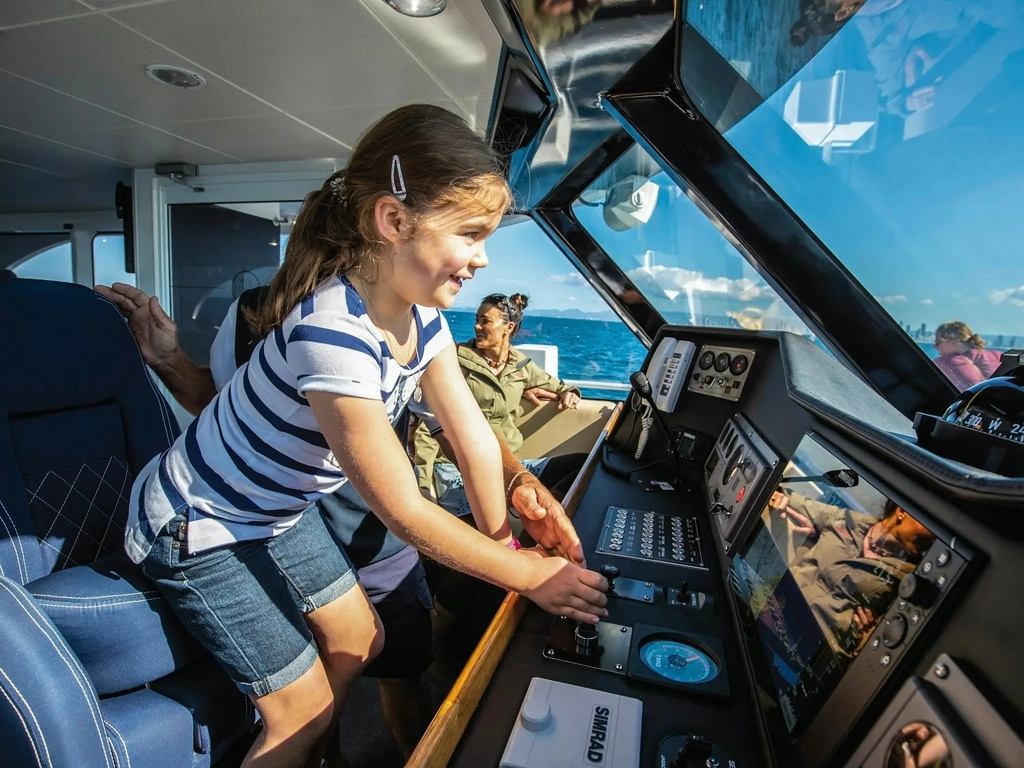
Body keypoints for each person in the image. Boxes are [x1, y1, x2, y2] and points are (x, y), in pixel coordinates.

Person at [110, 104, 608, 768]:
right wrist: (527, 576)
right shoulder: (331, 334)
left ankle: (317, 755)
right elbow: (402, 508)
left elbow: (474, 441)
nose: (483, 259)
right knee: (303, 711)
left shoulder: (421, 320)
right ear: (393, 220)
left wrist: (506, 550)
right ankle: (301, 743)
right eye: (469, 233)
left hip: (275, 513)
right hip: (198, 521)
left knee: (361, 641)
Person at [414, 292, 586, 517]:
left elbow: (556, 384)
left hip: (506, 467)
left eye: (485, 321)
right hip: (456, 470)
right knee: (486, 532)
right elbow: (429, 426)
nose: (476, 326)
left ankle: (537, 535)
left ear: (508, 327)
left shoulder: (519, 366)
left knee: (581, 466)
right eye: (477, 319)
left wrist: (569, 392)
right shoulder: (455, 363)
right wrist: (424, 488)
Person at [769, 490, 935, 660]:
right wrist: (778, 497)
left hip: (812, 648)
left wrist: (866, 638)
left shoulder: (909, 578)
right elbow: (802, 505)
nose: (934, 536)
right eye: (930, 523)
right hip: (776, 608)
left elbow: (886, 642)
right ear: (901, 512)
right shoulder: (849, 522)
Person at [932, 320, 1002, 392]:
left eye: (937, 342)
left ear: (954, 342)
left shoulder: (944, 362)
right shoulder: (999, 356)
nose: (934, 346)